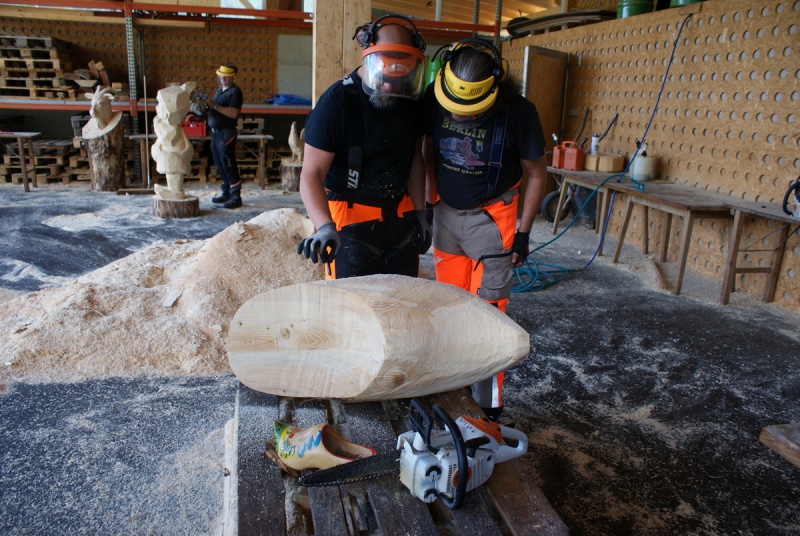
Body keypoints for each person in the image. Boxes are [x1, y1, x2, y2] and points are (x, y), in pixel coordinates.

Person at [423, 38, 548, 421]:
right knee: (449, 308)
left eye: (470, 112)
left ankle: (488, 408)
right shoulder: (433, 96)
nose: (458, 116)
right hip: (446, 214)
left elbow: (536, 173)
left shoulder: (519, 113)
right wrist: (426, 202)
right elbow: (425, 150)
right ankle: (451, 393)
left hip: (492, 220)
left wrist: (523, 232)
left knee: (489, 316)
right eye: (453, 109)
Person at [296, 14, 431, 279]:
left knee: (402, 298)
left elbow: (415, 157)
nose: (390, 86)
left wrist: (420, 213)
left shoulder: (410, 100)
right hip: (349, 223)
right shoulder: (338, 102)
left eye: (399, 78)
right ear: (369, 58)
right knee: (349, 301)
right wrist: (324, 226)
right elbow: (311, 174)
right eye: (384, 77)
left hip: (401, 220)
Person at [205, 64, 244, 209]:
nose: (223, 79)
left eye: (226, 77)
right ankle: (226, 192)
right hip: (216, 132)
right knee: (220, 164)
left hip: (226, 132)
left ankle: (235, 196)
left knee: (228, 163)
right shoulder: (220, 90)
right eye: (221, 76)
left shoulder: (235, 92)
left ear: (232, 77)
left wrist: (214, 106)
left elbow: (234, 113)